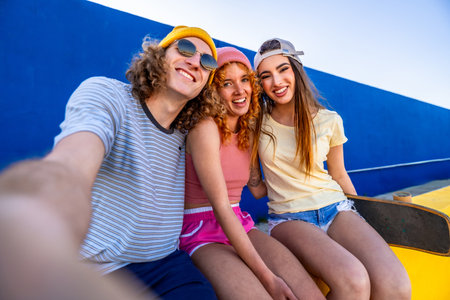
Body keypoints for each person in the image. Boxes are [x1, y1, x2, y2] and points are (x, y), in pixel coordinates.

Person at [0, 25, 220, 300]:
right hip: (98, 267)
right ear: (159, 55)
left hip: (168, 265)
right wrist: (36, 212)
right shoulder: (109, 96)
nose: (195, 62)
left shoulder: (190, 133)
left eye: (207, 61)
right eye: (185, 48)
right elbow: (72, 162)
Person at [253, 38, 412, 300]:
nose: (276, 82)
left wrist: (368, 215)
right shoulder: (256, 123)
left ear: (297, 70)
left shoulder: (329, 119)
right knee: (353, 280)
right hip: (289, 217)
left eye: (283, 69)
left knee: (396, 284)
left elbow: (338, 174)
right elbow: (255, 187)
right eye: (266, 76)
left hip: (336, 207)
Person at [179, 46, 325, 300]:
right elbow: (221, 206)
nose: (240, 90)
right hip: (201, 231)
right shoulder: (205, 128)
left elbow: (258, 189)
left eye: (245, 80)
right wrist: (269, 279)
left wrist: (311, 184)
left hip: (240, 222)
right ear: (213, 90)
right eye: (227, 83)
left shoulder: (249, 129)